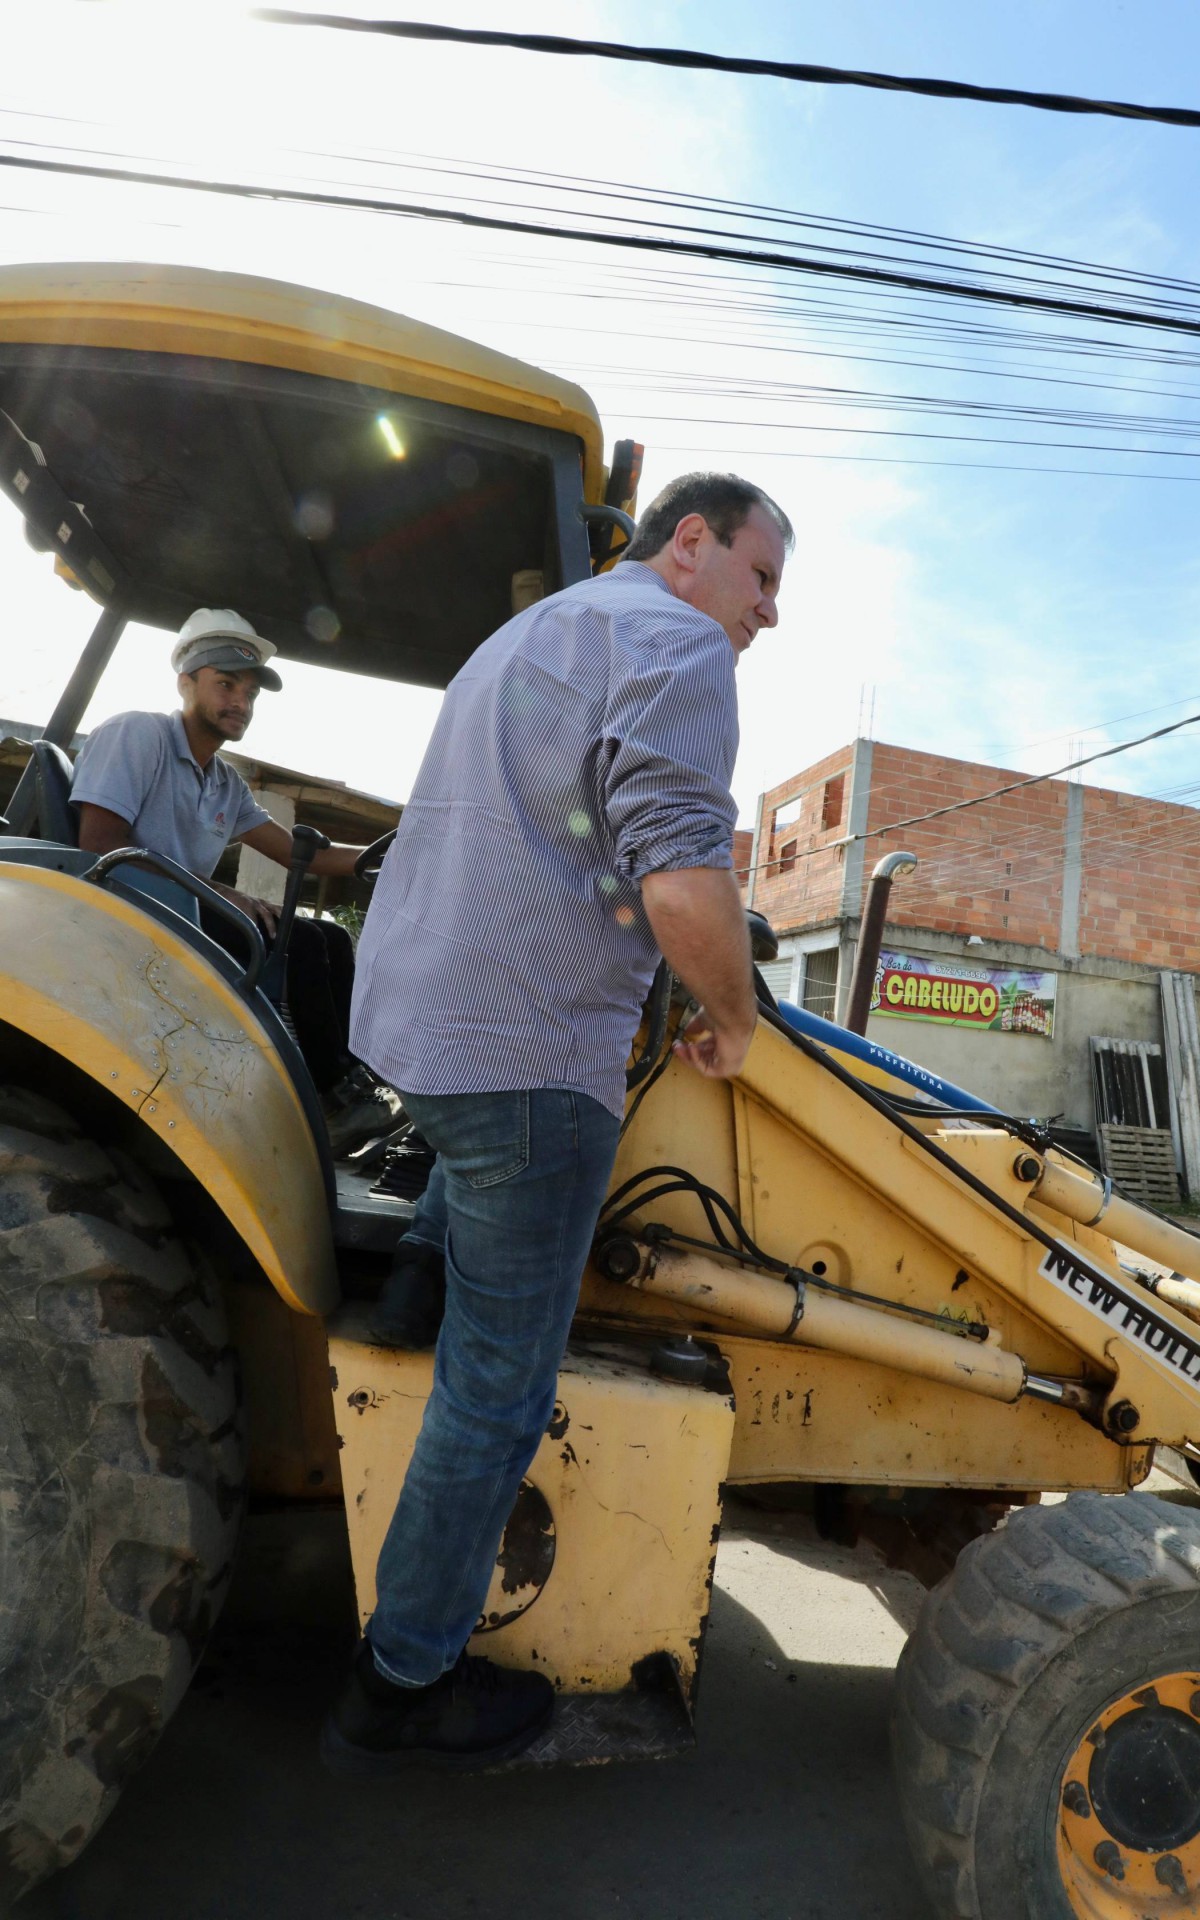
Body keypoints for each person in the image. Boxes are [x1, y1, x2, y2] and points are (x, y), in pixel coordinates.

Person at [322, 471, 791, 1775]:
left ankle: (422, 1271)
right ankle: (401, 1681)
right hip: (530, 1057)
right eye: (763, 577)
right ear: (690, 543)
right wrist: (731, 1017)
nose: (766, 613)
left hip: (422, 1029)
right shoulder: (677, 642)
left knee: (472, 1171)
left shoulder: (531, 635)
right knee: (500, 1393)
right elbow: (684, 880)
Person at [69, 607, 400, 1154]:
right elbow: (100, 846)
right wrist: (221, 891)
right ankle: (330, 1099)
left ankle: (348, 1080)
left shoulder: (224, 781)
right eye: (225, 685)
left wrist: (401, 847)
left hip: (186, 912)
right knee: (300, 940)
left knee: (333, 937)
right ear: (185, 682)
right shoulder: (137, 734)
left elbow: (303, 855)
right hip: (130, 912)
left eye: (249, 692)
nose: (239, 702)